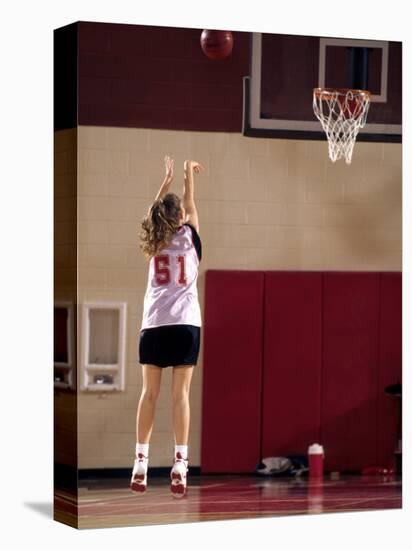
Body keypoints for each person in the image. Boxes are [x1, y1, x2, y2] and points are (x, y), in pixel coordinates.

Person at [130, 155, 204, 498]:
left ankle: (141, 462)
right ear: (181, 219)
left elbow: (152, 213)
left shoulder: (152, 241)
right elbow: (189, 204)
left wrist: (165, 181)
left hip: (154, 325)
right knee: (180, 396)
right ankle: (180, 462)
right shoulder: (189, 237)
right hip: (186, 324)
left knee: (150, 394)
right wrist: (188, 175)